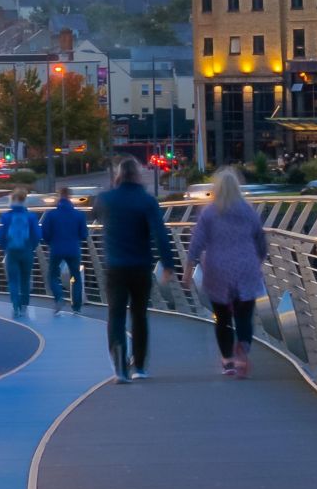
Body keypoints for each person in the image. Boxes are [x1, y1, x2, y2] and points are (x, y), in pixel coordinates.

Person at [93, 158, 184, 383]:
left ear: (118, 175)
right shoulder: (147, 201)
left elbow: (95, 213)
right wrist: (168, 264)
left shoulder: (106, 199)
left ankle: (120, 364)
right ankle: (140, 366)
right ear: (138, 175)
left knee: (115, 314)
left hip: (115, 266)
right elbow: (160, 234)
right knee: (139, 315)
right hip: (141, 266)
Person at [188, 167, 270, 379]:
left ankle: (228, 362)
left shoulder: (209, 213)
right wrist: (257, 261)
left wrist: (187, 272)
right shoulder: (248, 211)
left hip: (218, 270)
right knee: (244, 316)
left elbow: (196, 244)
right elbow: (261, 242)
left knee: (222, 318)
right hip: (246, 268)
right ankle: (242, 351)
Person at [0, 190, 43, 319]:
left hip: (12, 251)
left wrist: (5, 247)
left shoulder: (6, 216)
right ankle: (24, 306)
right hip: (27, 251)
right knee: (25, 280)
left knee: (13, 280)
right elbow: (37, 234)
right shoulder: (31, 216)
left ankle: (15, 306)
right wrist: (31, 246)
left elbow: (0, 234)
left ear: (12, 199)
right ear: (24, 200)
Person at [41, 191, 89, 314]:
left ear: (59, 198)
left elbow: (45, 233)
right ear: (69, 198)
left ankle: (59, 297)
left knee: (52, 275)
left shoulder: (51, 215)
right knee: (75, 277)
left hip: (56, 249)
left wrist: (50, 243)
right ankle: (77, 307)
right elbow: (84, 234)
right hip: (73, 249)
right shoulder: (79, 215)